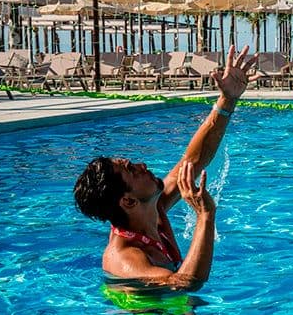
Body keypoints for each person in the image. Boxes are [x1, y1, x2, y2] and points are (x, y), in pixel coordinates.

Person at [73, 45, 259, 291]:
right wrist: (205, 216)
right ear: (128, 201)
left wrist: (226, 101)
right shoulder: (124, 257)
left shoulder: (153, 208)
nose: (143, 165)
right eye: (133, 170)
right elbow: (183, 284)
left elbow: (192, 162)